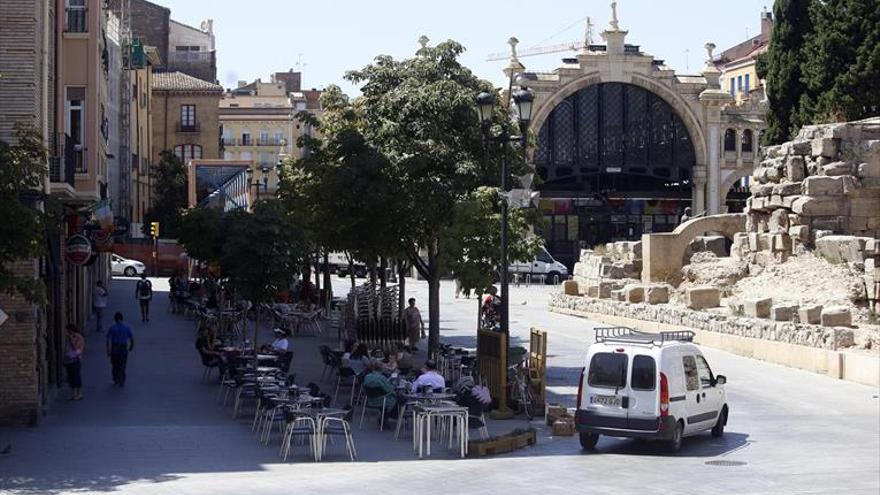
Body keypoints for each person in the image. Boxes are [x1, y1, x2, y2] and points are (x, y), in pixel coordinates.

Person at [106, 312, 134, 387]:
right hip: (123, 348)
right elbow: (131, 338)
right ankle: (122, 379)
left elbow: (108, 339)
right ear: (122, 319)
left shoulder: (112, 328)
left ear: (115, 319)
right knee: (123, 364)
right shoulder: (126, 328)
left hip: (114, 348)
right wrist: (131, 346)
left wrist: (108, 350)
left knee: (115, 364)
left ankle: (116, 379)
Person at [63, 324, 85, 400]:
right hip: (69, 359)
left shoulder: (78, 337)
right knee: (71, 377)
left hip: (76, 359)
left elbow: (77, 349)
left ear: (71, 330)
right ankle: (73, 393)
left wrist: (72, 341)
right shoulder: (68, 337)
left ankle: (79, 393)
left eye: (67, 330)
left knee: (76, 377)